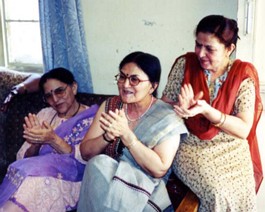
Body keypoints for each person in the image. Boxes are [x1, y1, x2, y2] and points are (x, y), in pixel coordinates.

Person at [162, 15, 263, 211]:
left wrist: (208, 111)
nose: (200, 53)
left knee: (243, 192)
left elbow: (243, 129)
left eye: (210, 48)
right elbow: (163, 108)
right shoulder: (185, 65)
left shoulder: (242, 75)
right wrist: (180, 108)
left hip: (231, 146)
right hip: (191, 144)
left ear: (229, 49)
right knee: (216, 193)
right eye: (198, 45)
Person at [77, 51, 188, 212]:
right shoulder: (111, 106)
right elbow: (85, 153)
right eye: (122, 77)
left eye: (134, 79)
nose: (125, 84)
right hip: (109, 186)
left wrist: (127, 136)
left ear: (153, 86)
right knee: (98, 164)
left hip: (146, 192)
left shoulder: (168, 117)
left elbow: (159, 169)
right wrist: (107, 136)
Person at [0, 67, 98, 211]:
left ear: (74, 88)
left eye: (60, 91)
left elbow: (83, 159)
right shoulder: (45, 114)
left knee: (30, 188)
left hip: (71, 179)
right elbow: (23, 159)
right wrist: (35, 144)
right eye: (48, 96)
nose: (55, 99)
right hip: (35, 172)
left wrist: (52, 139)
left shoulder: (92, 119)